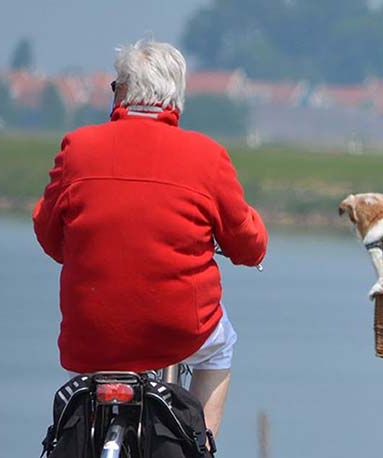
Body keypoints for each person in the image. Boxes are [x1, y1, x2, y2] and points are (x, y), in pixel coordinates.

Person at [32, 40, 267, 438]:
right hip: (179, 329)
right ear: (175, 95)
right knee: (221, 345)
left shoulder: (78, 148)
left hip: (90, 332)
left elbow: (49, 235)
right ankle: (201, 442)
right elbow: (249, 244)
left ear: (121, 91)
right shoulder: (207, 157)